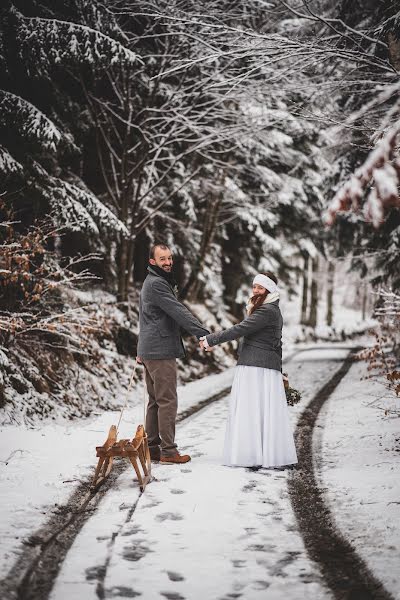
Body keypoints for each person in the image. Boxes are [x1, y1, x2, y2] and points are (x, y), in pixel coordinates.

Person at [200, 272, 297, 469]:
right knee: (256, 410)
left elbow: (240, 329)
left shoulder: (267, 311)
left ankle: (251, 455)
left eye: (260, 288)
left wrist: (212, 339)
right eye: (254, 287)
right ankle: (256, 454)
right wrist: (279, 370)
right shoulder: (268, 309)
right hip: (259, 366)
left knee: (251, 409)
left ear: (269, 290)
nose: (255, 291)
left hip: (256, 367)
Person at [137, 243, 210, 464]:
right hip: (159, 350)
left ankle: (152, 448)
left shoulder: (153, 282)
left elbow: (145, 318)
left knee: (155, 401)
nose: (168, 262)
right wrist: (203, 334)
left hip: (151, 349)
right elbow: (178, 311)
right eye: (163, 259)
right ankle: (168, 451)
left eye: (170, 258)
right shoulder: (157, 284)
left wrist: (141, 348)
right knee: (167, 401)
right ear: (152, 262)